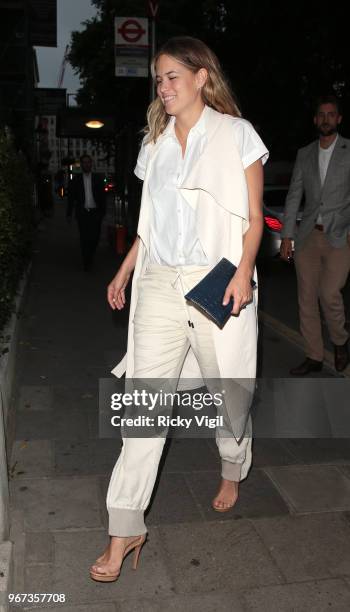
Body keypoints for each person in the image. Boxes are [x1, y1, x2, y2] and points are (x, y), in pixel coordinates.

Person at [89, 36, 268, 582]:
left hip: (218, 284)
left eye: (171, 76)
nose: (162, 87)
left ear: (200, 78)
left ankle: (233, 467)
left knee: (229, 393)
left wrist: (242, 272)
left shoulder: (237, 135)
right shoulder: (156, 144)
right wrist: (124, 267)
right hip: (162, 286)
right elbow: (150, 226)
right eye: (158, 79)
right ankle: (124, 529)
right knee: (143, 406)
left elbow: (256, 219)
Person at [280, 95, 350, 375]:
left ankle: (341, 341)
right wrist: (287, 235)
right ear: (315, 120)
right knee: (306, 297)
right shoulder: (305, 154)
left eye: (331, 114)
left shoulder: (348, 150)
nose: (326, 119)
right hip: (308, 235)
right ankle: (314, 355)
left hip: (341, 235)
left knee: (329, 292)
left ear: (339, 119)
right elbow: (294, 194)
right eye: (321, 114)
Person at [67, 154, 106, 271]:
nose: (86, 164)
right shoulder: (76, 180)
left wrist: (102, 213)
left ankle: (91, 255)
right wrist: (69, 214)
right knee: (84, 238)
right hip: (82, 214)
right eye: (84, 162)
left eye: (88, 162)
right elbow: (71, 198)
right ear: (81, 165)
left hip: (95, 213)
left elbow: (102, 197)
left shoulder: (98, 179)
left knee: (95, 238)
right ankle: (87, 262)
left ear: (91, 164)